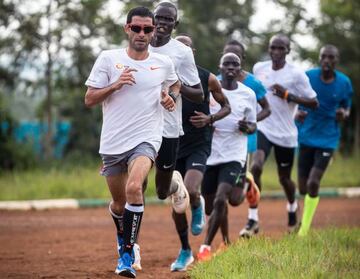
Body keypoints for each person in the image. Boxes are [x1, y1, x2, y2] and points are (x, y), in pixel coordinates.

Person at [84, 7, 180, 278]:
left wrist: (169, 96)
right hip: (113, 142)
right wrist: (114, 85)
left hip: (147, 137)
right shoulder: (108, 59)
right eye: (136, 28)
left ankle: (126, 255)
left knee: (135, 187)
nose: (142, 34)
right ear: (127, 29)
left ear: (154, 31)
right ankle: (123, 237)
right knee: (118, 204)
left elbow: (175, 85)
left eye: (147, 29)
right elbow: (89, 99)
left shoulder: (162, 63)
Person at [132, 2, 204, 272]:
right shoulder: (140, 44)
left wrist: (174, 87)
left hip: (169, 128)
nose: (161, 23)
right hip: (140, 127)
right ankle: (130, 250)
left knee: (162, 191)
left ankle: (177, 184)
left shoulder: (182, 52)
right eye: (158, 18)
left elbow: (198, 93)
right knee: (135, 186)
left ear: (176, 23)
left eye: (168, 19)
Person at [170, 34, 231, 271]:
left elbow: (227, 106)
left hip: (198, 143)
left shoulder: (207, 78)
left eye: (186, 49)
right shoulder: (163, 75)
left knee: (191, 188)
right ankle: (185, 250)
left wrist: (210, 118)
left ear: (192, 53)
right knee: (175, 202)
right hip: (171, 144)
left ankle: (196, 204)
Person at [251, 34, 318, 233]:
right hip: (264, 127)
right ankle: (253, 217)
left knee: (284, 179)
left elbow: (314, 102)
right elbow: (254, 94)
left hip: (286, 134)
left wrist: (288, 95)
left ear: (288, 51)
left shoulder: (296, 74)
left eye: (281, 48)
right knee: (256, 167)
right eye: (273, 48)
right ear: (269, 48)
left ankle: (292, 206)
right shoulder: (259, 68)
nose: (276, 52)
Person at [197, 52, 257, 261]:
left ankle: (205, 247)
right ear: (220, 67)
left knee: (224, 198)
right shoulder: (211, 89)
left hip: (234, 154)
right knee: (212, 204)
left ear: (240, 69)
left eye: (235, 65)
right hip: (210, 154)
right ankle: (225, 241)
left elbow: (253, 124)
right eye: (227, 64)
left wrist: (247, 127)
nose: (231, 68)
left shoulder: (248, 94)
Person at [296, 45, 353, 237]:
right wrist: (298, 112)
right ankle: (301, 218)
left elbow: (347, 107)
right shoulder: (308, 77)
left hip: (328, 139)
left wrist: (343, 114)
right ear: (319, 59)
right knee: (303, 186)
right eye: (324, 57)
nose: (327, 60)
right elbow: (297, 100)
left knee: (313, 182)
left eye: (331, 57)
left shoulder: (344, 82)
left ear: (336, 60)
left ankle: (304, 229)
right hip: (306, 136)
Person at [221, 39, 271, 237]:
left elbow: (267, 109)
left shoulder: (253, 83)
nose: (231, 63)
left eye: (236, 57)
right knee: (222, 189)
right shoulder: (216, 81)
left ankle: (249, 193)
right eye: (227, 56)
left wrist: (251, 122)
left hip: (245, 138)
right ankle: (223, 238)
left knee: (236, 195)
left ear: (241, 59)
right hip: (221, 142)